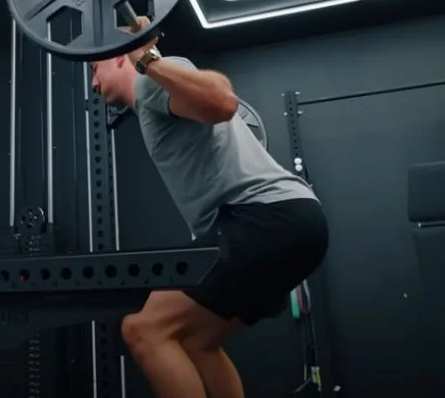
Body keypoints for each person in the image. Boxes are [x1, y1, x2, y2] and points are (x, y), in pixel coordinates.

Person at [89, 20, 329, 398]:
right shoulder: (155, 98)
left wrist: (148, 58)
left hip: (266, 216)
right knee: (198, 342)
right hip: (289, 220)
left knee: (144, 329)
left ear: (120, 58)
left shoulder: (152, 82)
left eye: (94, 68)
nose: (93, 83)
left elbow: (222, 102)